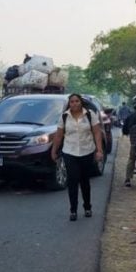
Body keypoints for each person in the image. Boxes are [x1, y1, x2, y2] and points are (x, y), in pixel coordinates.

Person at [51, 93, 104, 221]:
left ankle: (87, 207)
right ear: (69, 104)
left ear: (81, 102)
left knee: (85, 181)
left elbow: (96, 133)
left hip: (87, 151)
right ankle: (73, 210)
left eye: (77, 101)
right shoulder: (64, 117)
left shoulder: (90, 114)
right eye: (72, 102)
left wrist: (99, 150)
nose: (74, 104)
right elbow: (58, 136)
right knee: (72, 181)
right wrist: (54, 151)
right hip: (69, 152)